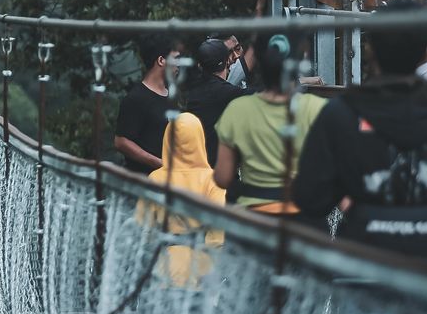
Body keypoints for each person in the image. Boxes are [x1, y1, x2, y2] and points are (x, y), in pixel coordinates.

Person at [293, 26, 427, 314]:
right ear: (425, 53)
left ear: (372, 51)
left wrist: (350, 196)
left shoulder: (341, 112)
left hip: (364, 265)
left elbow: (310, 196)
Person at [136, 112, 226, 314]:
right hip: (202, 266)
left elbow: (144, 228)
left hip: (167, 267)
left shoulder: (156, 179)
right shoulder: (213, 181)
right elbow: (218, 234)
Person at [213, 35, 327, 212]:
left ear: (259, 60)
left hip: (256, 219)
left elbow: (222, 178)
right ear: (299, 60)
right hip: (305, 216)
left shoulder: (237, 110)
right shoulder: (319, 109)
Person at [114, 36, 180, 175]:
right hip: (144, 181)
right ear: (161, 60)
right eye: (175, 58)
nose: (178, 64)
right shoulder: (136, 98)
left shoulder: (171, 95)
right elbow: (121, 142)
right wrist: (160, 163)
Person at [184, 39, 253, 167]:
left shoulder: (195, 90)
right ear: (228, 61)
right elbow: (261, 96)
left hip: (198, 165)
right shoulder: (222, 92)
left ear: (200, 65)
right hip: (216, 170)